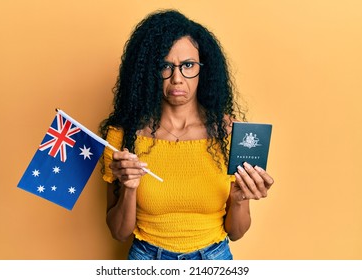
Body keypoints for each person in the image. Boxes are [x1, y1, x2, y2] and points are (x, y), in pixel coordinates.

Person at [99, 9, 274, 260]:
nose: (177, 78)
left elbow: (236, 233)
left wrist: (238, 199)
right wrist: (128, 188)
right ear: (149, 71)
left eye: (188, 65)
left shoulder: (231, 134)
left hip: (214, 260)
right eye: (165, 66)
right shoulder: (123, 138)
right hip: (146, 259)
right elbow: (118, 232)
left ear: (205, 68)